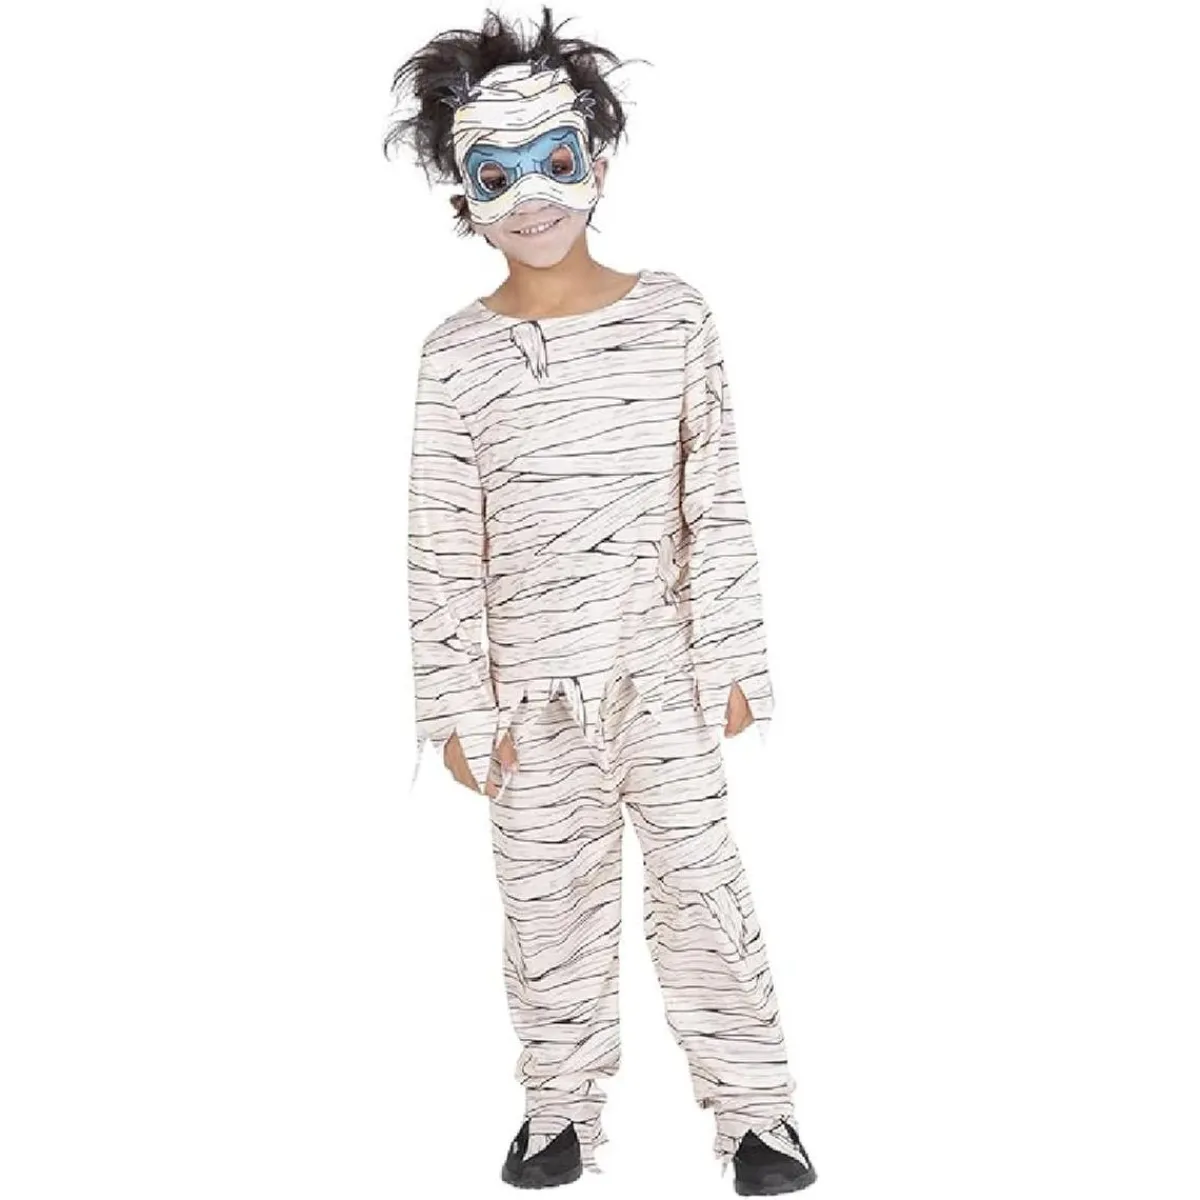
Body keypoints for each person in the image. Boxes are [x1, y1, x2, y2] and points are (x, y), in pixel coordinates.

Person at [383, 7, 817, 1194]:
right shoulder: (454, 356)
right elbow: (440, 540)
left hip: (664, 676)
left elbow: (713, 497)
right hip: (529, 698)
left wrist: (733, 659)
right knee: (546, 904)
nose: (531, 196)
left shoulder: (674, 316)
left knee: (702, 886)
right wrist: (455, 706)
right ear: (462, 191)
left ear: (599, 160)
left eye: (555, 160)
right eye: (496, 174)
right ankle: (557, 1109)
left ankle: (760, 1113)